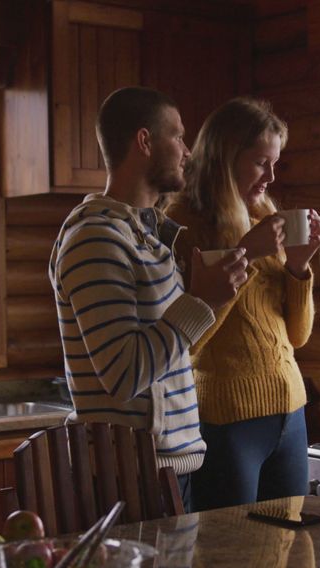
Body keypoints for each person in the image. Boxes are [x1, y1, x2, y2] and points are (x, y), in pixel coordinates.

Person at [48, 87, 249, 511]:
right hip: (129, 475)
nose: (187, 152)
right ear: (144, 142)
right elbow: (123, 376)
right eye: (177, 136)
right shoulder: (95, 239)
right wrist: (200, 302)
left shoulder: (146, 235)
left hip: (166, 467)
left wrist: (204, 301)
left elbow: (168, 352)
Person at [166, 97, 320, 510]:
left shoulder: (263, 217)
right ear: (224, 157)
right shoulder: (184, 227)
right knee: (229, 550)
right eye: (261, 162)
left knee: (289, 544)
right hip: (225, 420)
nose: (271, 176)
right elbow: (188, 346)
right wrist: (245, 255)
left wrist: (298, 267)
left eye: (275, 162)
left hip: (291, 413)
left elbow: (297, 336)